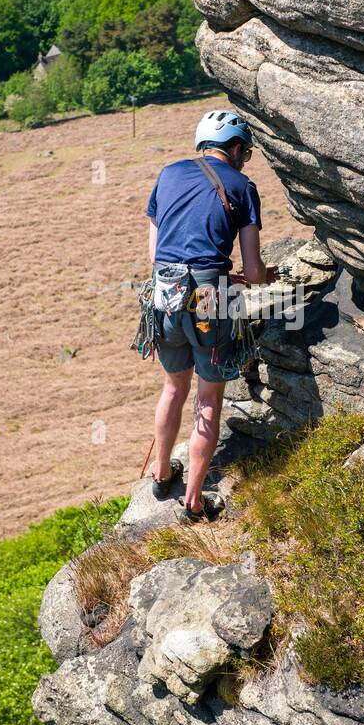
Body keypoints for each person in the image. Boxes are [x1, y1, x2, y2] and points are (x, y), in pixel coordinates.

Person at [145, 110, 279, 523]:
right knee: (209, 397)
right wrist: (256, 277)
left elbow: (155, 255)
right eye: (244, 152)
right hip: (209, 299)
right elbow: (254, 272)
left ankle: (162, 473)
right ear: (235, 147)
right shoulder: (242, 186)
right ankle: (194, 502)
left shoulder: (168, 174)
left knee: (173, 388)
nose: (244, 159)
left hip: (163, 294)